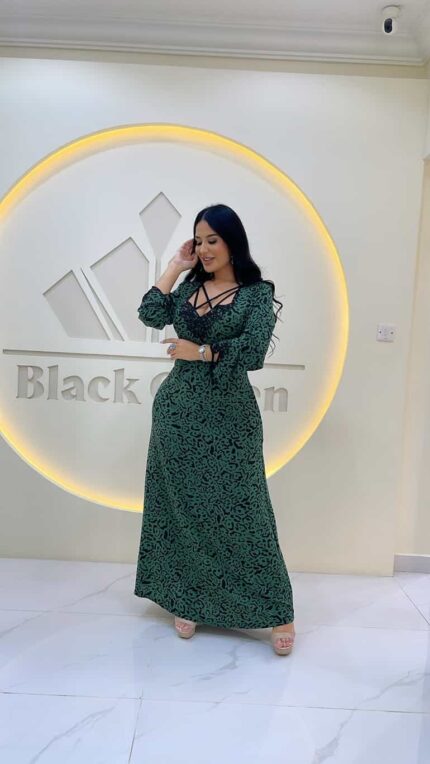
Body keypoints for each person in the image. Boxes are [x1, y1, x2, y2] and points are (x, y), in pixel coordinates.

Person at [134, 203, 295, 656]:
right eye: (199, 240)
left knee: (245, 510)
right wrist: (174, 266)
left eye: (213, 240)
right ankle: (189, 598)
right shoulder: (189, 285)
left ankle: (278, 611)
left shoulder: (256, 294)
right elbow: (150, 313)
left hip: (229, 415)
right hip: (177, 414)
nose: (204, 249)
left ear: (232, 242)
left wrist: (201, 351)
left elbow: (254, 350)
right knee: (183, 509)